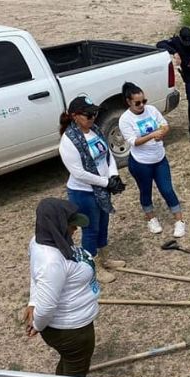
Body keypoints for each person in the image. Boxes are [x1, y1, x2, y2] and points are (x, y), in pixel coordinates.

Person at [23, 198, 100, 377]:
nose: (76, 229)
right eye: (71, 225)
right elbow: (47, 306)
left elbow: (36, 275)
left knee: (70, 365)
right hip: (71, 330)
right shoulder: (51, 261)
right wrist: (37, 323)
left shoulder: (40, 240)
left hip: (71, 326)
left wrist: (33, 300)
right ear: (56, 225)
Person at [58, 96, 126, 283]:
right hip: (83, 193)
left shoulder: (94, 130)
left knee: (103, 224)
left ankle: (104, 258)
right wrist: (106, 183)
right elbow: (78, 173)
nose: (92, 117)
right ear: (75, 116)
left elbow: (107, 155)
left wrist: (113, 175)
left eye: (94, 113)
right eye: (88, 114)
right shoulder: (68, 141)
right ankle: (92, 267)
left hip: (101, 188)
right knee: (90, 229)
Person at [119, 82, 187, 238]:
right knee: (145, 191)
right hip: (141, 163)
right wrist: (151, 135)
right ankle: (151, 218)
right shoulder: (125, 119)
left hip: (159, 158)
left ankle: (179, 220)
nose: (142, 105)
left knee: (167, 189)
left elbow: (164, 125)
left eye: (144, 101)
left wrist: (162, 132)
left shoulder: (152, 110)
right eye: (137, 103)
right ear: (128, 102)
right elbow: (133, 141)